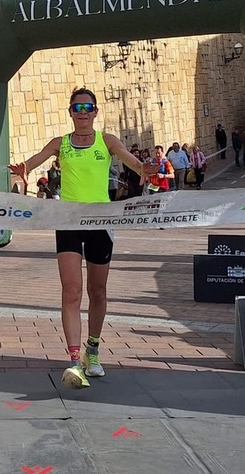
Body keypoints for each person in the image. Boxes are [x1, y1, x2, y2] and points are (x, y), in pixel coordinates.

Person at [8, 88, 147, 389]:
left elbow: (131, 161)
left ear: (96, 112)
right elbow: (32, 162)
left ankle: (92, 351)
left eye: (88, 107)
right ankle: (74, 361)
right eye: (77, 107)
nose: (82, 112)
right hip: (68, 220)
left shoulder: (106, 140)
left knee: (98, 292)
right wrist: (23, 170)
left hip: (101, 221)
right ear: (70, 112)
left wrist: (143, 168)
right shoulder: (60, 144)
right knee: (71, 291)